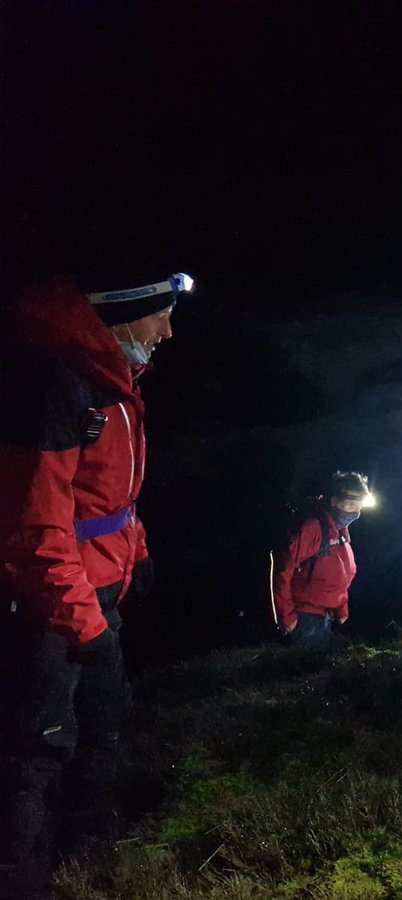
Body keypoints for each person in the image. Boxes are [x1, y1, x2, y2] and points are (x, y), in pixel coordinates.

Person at [0, 264, 194, 894]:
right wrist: (83, 622)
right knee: (41, 751)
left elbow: (112, 501)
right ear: (119, 314)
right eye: (159, 313)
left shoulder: (116, 381)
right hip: (53, 610)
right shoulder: (59, 387)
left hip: (99, 592)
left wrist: (136, 556)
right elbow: (38, 527)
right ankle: (23, 879)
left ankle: (87, 868)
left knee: (102, 731)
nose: (167, 331)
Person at [272, 471, 371, 652]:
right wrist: (288, 619)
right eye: (350, 505)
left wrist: (341, 608)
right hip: (305, 619)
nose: (355, 513)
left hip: (327, 617)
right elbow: (282, 571)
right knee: (303, 676)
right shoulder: (312, 527)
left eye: (359, 507)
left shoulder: (340, 529)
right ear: (333, 501)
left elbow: (341, 572)